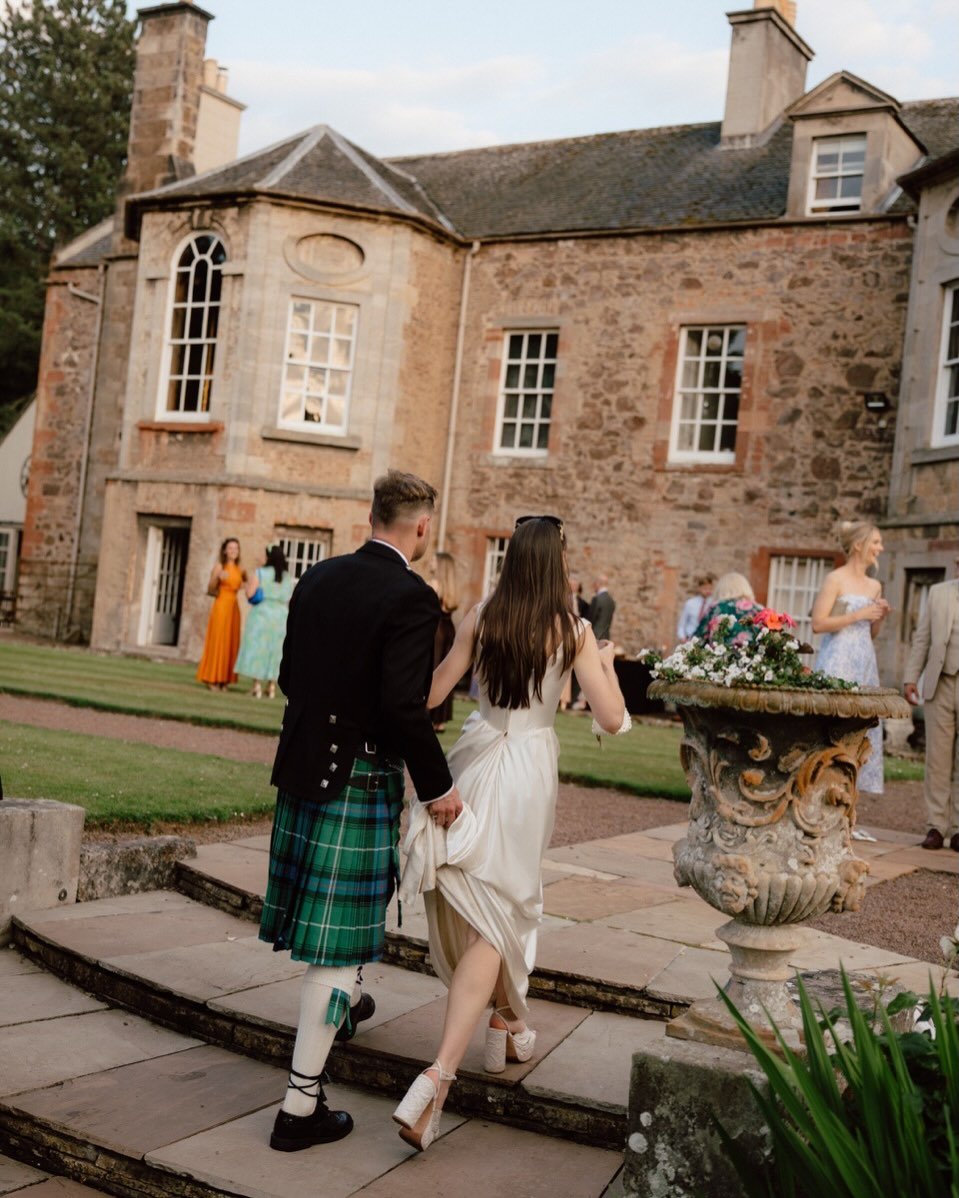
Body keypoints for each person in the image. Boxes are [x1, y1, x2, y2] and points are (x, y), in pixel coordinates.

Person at [394, 516, 628, 1153]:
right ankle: (440, 1076)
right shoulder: (574, 631)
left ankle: (506, 1023)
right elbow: (609, 717)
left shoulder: (481, 616)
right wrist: (603, 662)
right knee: (498, 916)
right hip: (526, 773)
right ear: (556, 564)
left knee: (486, 909)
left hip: (474, 755)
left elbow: (434, 691)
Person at [258, 470, 459, 1153]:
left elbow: (289, 677)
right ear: (421, 527)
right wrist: (437, 788)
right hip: (357, 774)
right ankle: (299, 1108)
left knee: (338, 939)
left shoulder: (318, 578)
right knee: (336, 951)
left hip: (302, 767)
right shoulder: (412, 597)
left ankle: (344, 1009)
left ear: (373, 514)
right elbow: (406, 707)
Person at [811, 521, 890, 835]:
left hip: (863, 661)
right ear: (859, 544)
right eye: (876, 542)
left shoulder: (875, 586)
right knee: (829, 730)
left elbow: (871, 633)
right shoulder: (835, 579)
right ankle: (817, 806)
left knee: (861, 735)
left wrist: (878, 617)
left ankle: (847, 814)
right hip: (837, 660)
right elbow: (818, 623)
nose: (880, 548)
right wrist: (858, 614)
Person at [903, 556, 959, 852]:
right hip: (941, 682)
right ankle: (936, 826)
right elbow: (922, 639)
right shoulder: (938, 593)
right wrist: (911, 677)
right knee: (937, 758)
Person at [235, 544, 295, 699]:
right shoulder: (287, 577)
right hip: (281, 616)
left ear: (269, 556)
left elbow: (250, 594)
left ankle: (257, 686)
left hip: (262, 613)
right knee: (275, 651)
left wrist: (249, 588)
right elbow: (289, 597)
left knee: (258, 649)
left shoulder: (261, 573)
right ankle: (272, 687)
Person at [196, 537, 244, 691]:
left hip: (234, 608)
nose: (233, 551)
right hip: (221, 605)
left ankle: (225, 680)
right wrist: (217, 577)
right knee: (218, 641)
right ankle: (211, 678)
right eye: (230, 548)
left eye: (236, 548)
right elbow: (210, 589)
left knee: (231, 642)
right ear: (225, 550)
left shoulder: (241, 570)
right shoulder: (219, 567)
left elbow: (246, 584)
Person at [428, 552, 458, 732]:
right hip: (449, 629)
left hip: (436, 629)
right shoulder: (450, 587)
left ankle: (430, 714)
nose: (430, 562)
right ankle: (440, 720)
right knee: (446, 669)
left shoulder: (433, 584)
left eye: (433, 560)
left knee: (434, 668)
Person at [692, 572, 761, 642]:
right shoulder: (759, 609)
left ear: (721, 589)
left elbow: (698, 639)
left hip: (721, 651)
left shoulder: (717, 607)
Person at [677, 573, 716, 641]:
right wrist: (683, 638)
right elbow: (682, 624)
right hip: (690, 637)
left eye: (710, 588)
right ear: (699, 588)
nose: (708, 591)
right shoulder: (690, 603)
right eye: (705, 588)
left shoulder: (714, 604)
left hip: (707, 639)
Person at [588, 574, 616, 641]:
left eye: (594, 583)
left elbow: (590, 619)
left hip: (595, 635)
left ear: (598, 583)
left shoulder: (596, 599)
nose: (593, 585)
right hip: (606, 635)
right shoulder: (611, 600)